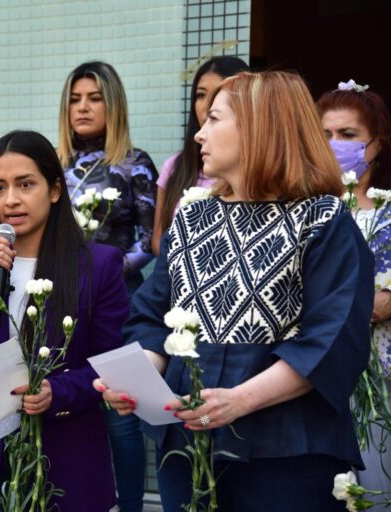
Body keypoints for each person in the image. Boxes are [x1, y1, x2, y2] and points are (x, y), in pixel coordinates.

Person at [97, 71, 374, 511]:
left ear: (259, 126)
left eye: (214, 119)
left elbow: (332, 337)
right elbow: (151, 317)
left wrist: (239, 401)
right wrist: (137, 379)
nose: (199, 134)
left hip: (285, 449)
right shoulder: (191, 218)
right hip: (185, 442)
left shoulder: (323, 220)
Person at [0, 130, 129, 511]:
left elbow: (111, 365)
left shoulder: (98, 265)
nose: (11, 200)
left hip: (66, 453)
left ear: (54, 190)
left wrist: (59, 392)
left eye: (25, 184)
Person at [58, 60, 157, 511]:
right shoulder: (54, 166)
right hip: (62, 302)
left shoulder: (134, 163)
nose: (83, 107)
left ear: (112, 104)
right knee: (70, 406)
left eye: (94, 98)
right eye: (75, 99)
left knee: (121, 417)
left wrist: (107, 273)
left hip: (119, 298)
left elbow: (149, 239)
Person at [317, 81, 391, 493]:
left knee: (375, 485)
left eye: (347, 136)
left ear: (376, 146)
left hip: (380, 379)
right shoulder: (301, 208)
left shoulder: (388, 213)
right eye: (325, 135)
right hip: (313, 377)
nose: (334, 145)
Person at [151, 57, 249, 255]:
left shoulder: (250, 168)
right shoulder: (175, 166)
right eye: (201, 95)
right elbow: (158, 241)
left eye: (217, 96)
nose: (207, 106)